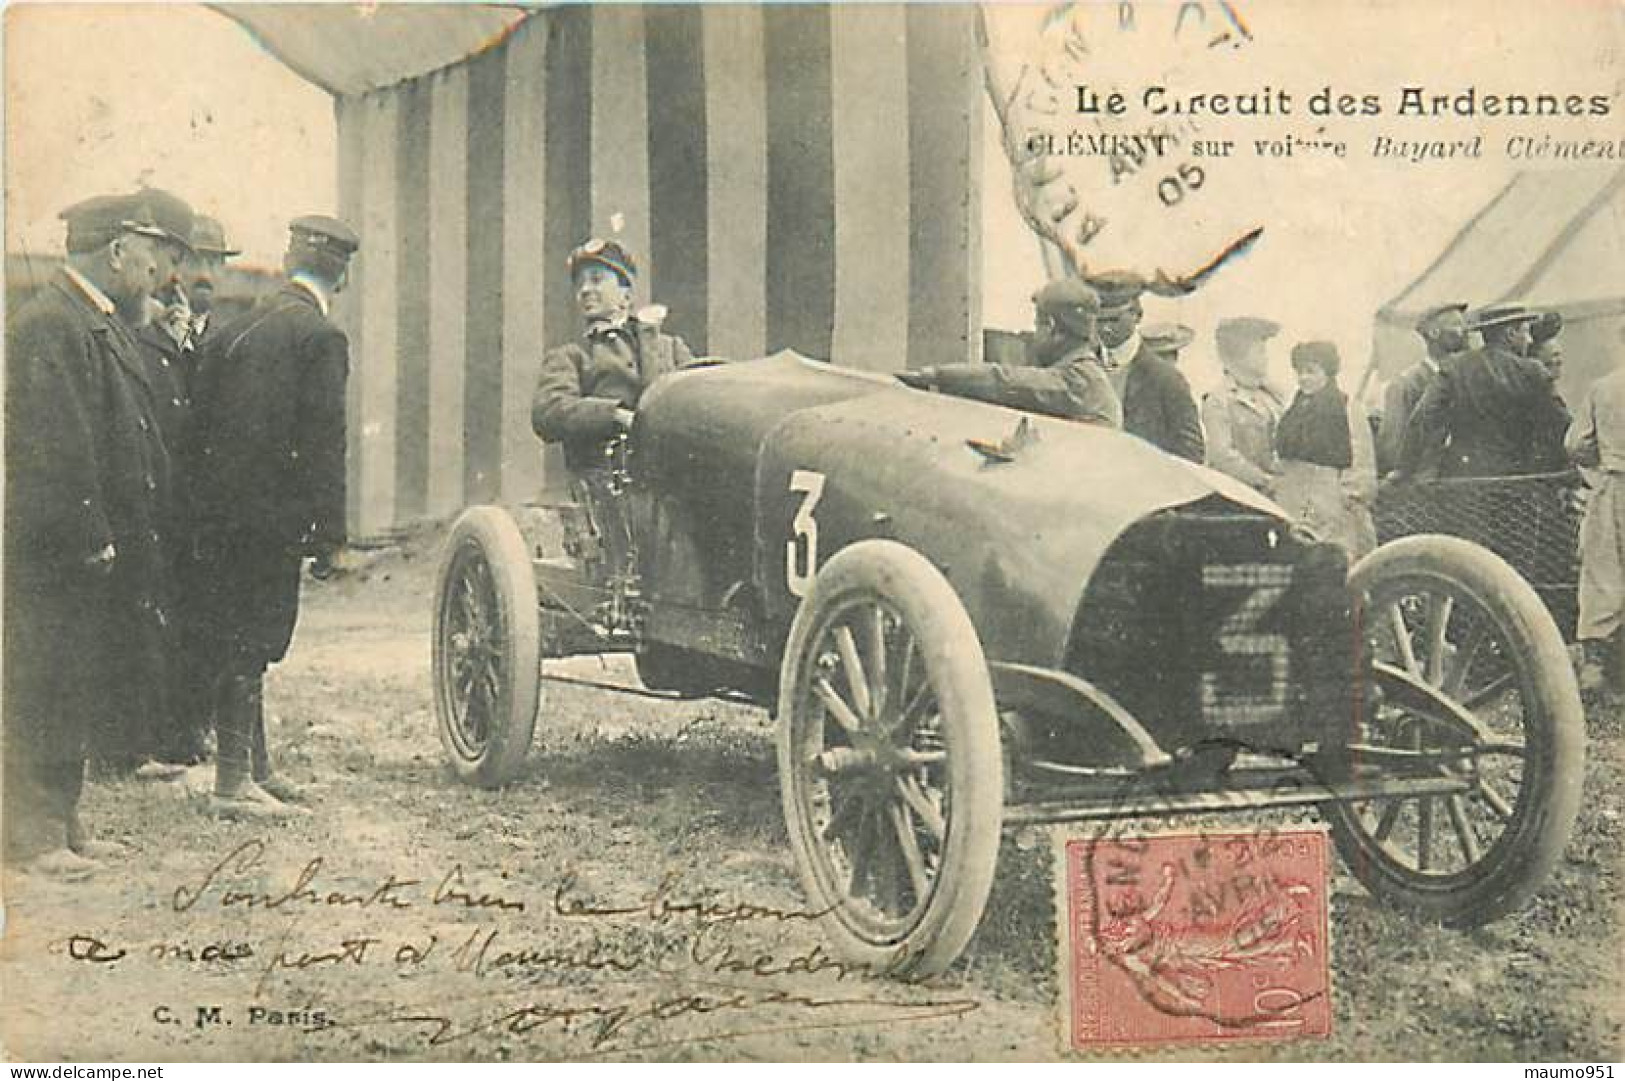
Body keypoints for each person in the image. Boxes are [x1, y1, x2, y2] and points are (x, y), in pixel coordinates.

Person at [3, 191, 192, 880]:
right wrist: (86, 529)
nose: (159, 270)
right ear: (116, 250)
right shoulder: (50, 323)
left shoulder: (92, 319)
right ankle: (29, 834)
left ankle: (65, 820)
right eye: (150, 251)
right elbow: (53, 445)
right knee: (42, 682)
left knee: (73, 682)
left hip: (96, 544)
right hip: (58, 549)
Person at [190, 214, 360, 818]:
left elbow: (196, 424)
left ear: (290, 260)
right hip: (270, 521)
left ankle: (254, 770)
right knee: (253, 641)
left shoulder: (238, 327)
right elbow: (324, 444)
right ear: (342, 272)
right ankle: (233, 785)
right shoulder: (319, 336)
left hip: (216, 515)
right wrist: (332, 539)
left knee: (237, 636)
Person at [135, 214, 240, 769]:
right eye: (194, 261)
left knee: (207, 617)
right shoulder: (144, 333)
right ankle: (153, 733)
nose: (203, 274)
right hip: (159, 502)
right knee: (158, 615)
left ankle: (194, 728)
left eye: (214, 263)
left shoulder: (231, 336)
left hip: (210, 509)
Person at [532, 238, 696, 476]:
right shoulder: (571, 354)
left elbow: (698, 393)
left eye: (596, 280)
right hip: (607, 484)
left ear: (626, 296)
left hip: (669, 478)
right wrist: (615, 415)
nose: (585, 290)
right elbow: (549, 411)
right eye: (580, 284)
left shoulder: (670, 348)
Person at [898, 278, 1121, 426]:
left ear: (1052, 326)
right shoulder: (1089, 374)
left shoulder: (1079, 379)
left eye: (1037, 325)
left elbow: (1004, 381)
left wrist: (937, 376)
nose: (1034, 336)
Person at [1397, 305, 1570, 479]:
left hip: (1465, 479)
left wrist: (1404, 469)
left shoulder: (1455, 367)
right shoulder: (1532, 371)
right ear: (1510, 334)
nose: (1530, 340)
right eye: (1525, 332)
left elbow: (1422, 420)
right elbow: (1560, 422)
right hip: (1520, 480)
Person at [1274, 341, 1377, 560]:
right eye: (1300, 372)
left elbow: (1362, 459)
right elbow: (1281, 456)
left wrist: (1349, 497)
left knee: (1337, 559)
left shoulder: (1348, 408)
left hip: (1333, 502)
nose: (1303, 378)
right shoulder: (1292, 412)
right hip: (1294, 500)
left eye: (1311, 371)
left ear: (1328, 372)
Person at [1565, 328, 1625, 698]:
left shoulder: (1604, 388)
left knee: (1604, 575)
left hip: (1614, 486)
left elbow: (1575, 444)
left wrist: (1606, 457)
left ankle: (1595, 671)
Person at [1377, 302, 1467, 476]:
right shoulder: (1405, 385)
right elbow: (1391, 447)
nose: (1465, 331)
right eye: (1456, 325)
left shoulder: (1466, 377)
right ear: (1434, 333)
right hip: (1424, 485)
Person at [1202, 317, 1286, 493]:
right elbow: (1223, 457)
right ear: (1237, 357)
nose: (1266, 358)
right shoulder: (1219, 400)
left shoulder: (1273, 395)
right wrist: (1265, 481)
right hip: (1238, 498)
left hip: (1273, 493)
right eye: (1259, 352)